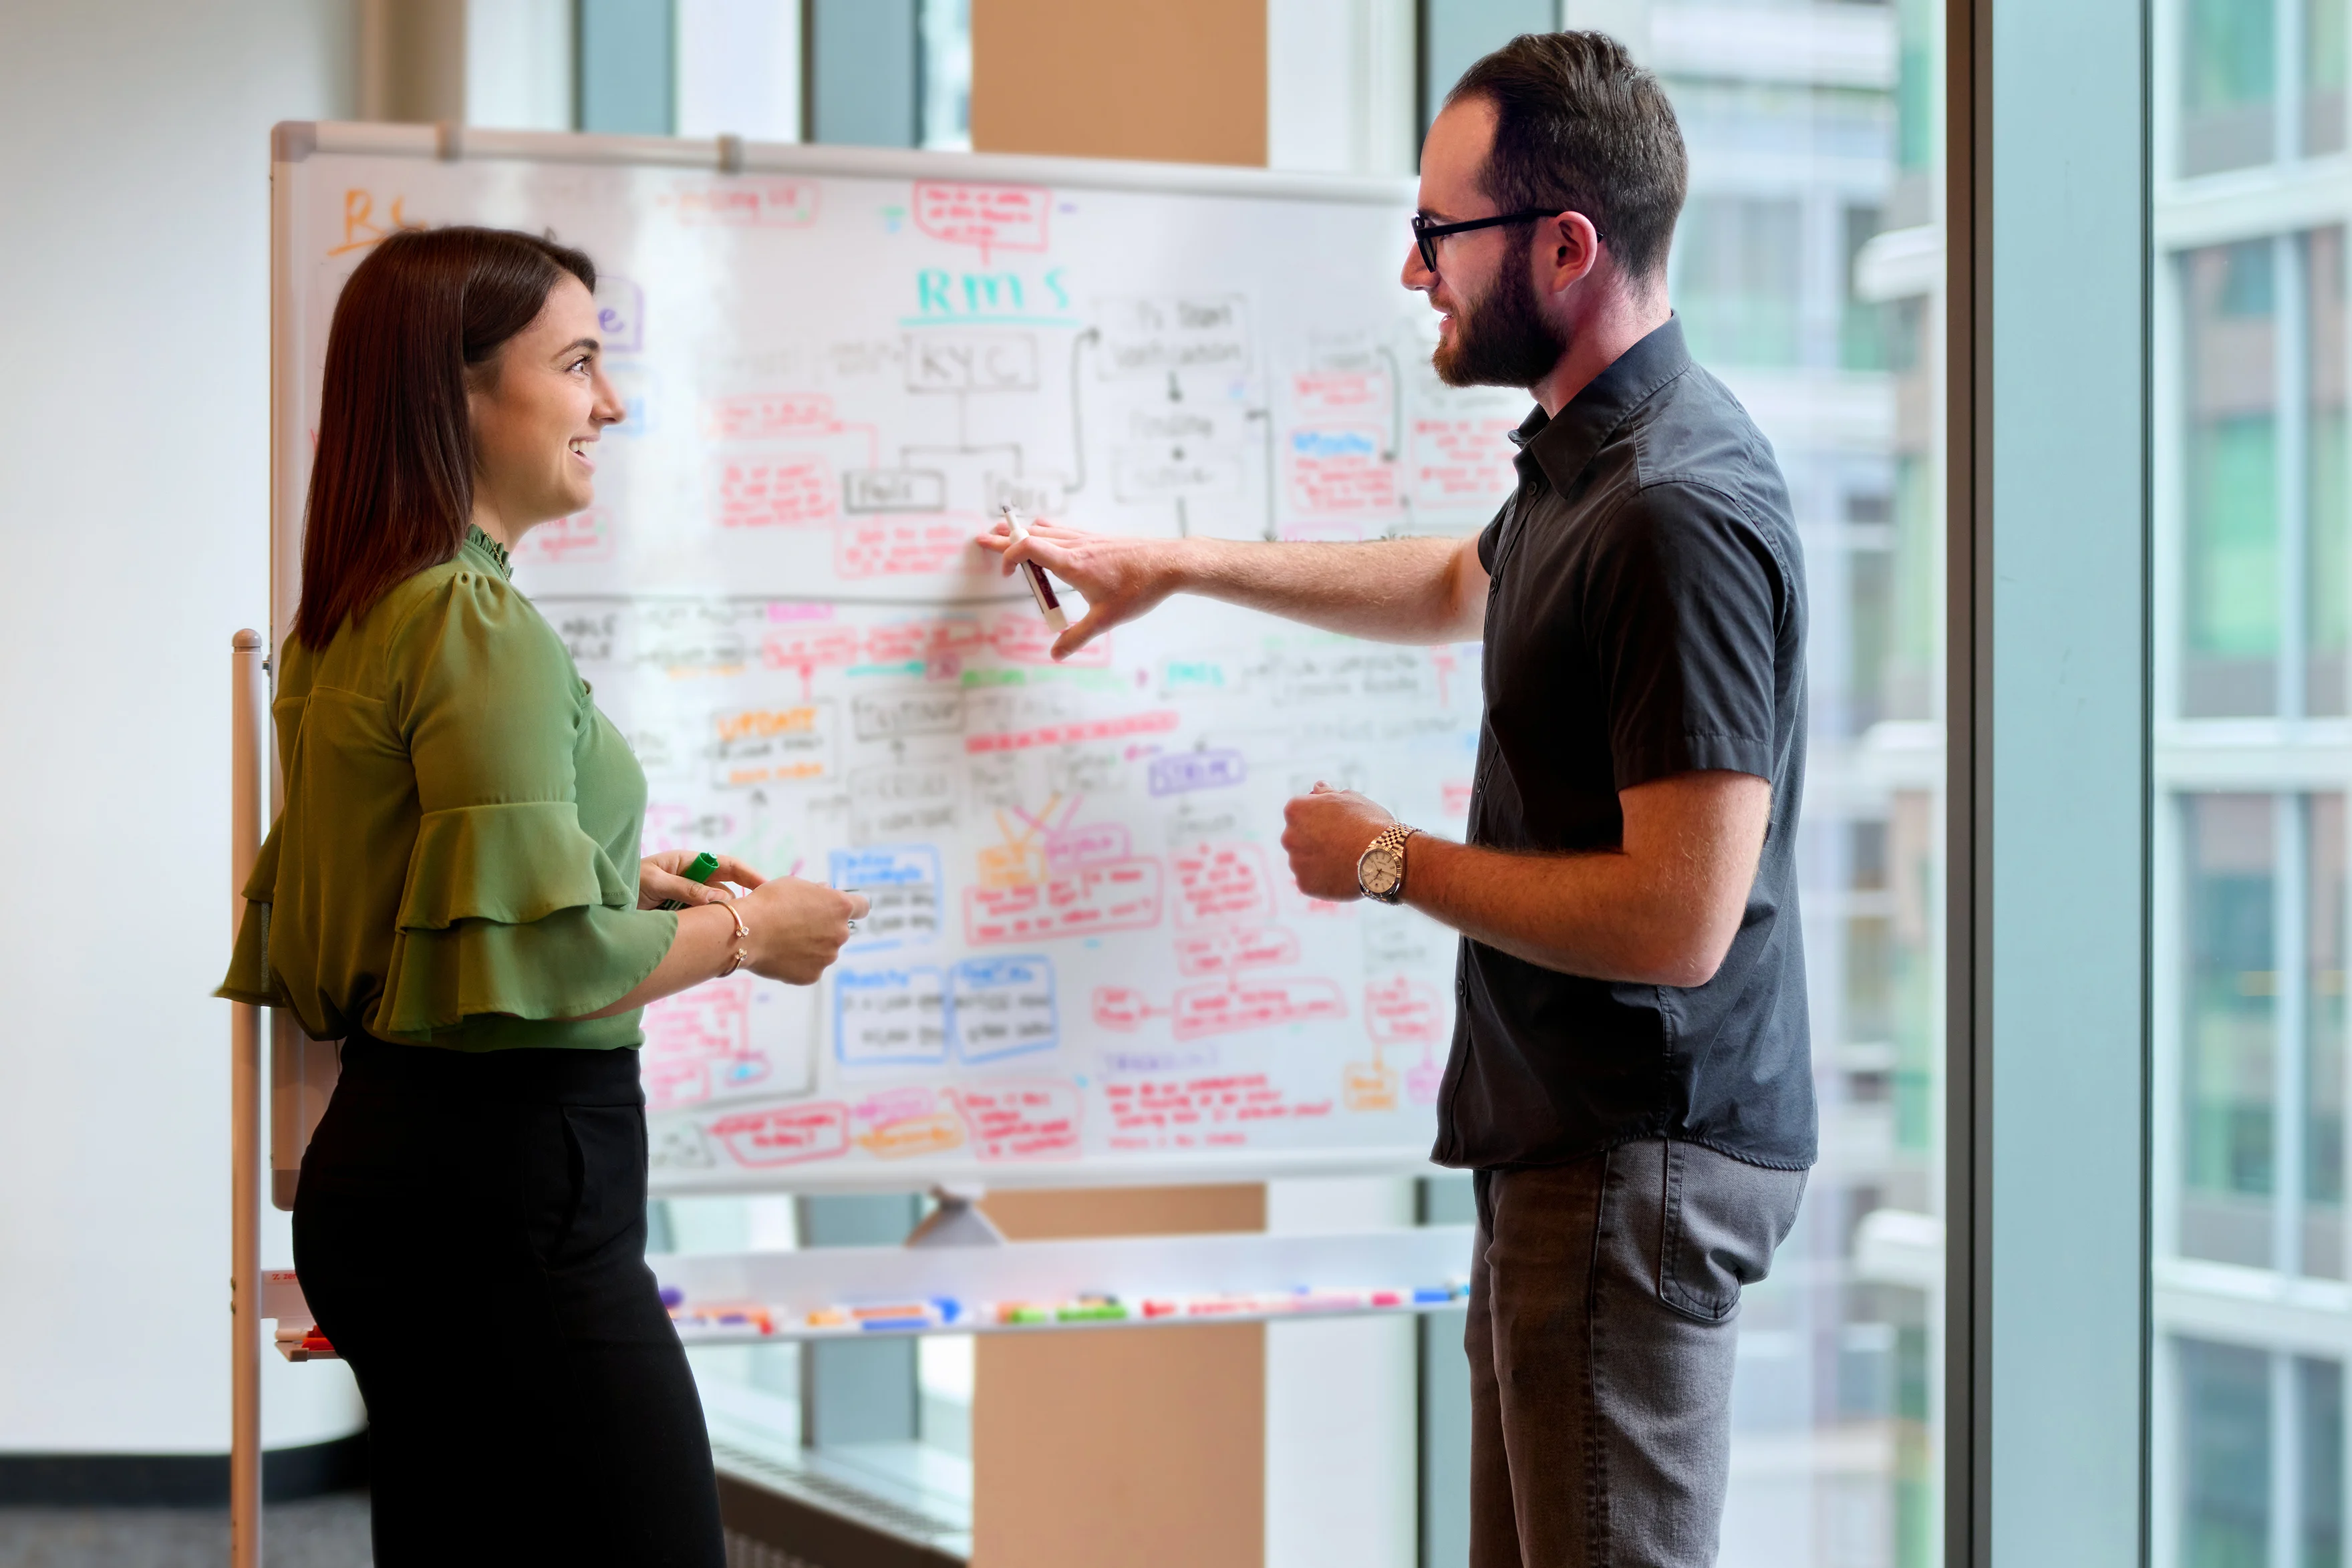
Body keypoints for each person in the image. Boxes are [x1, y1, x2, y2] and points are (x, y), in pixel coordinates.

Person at [981, 31, 1811, 1568]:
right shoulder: (1585, 467)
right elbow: (1452, 579)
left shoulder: (1675, 509)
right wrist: (1175, 564)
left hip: (1632, 1159)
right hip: (1564, 1151)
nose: (1414, 269)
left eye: (1440, 233)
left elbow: (1678, 917)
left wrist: (1382, 858)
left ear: (1564, 248)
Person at [218, 226, 867, 1565]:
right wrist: (752, 933)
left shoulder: (352, 612)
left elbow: (396, 896)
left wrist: (612, 870)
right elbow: (544, 963)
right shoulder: (472, 622)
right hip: (508, 1196)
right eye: (577, 365)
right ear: (455, 393)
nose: (610, 405)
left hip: (395, 1179)